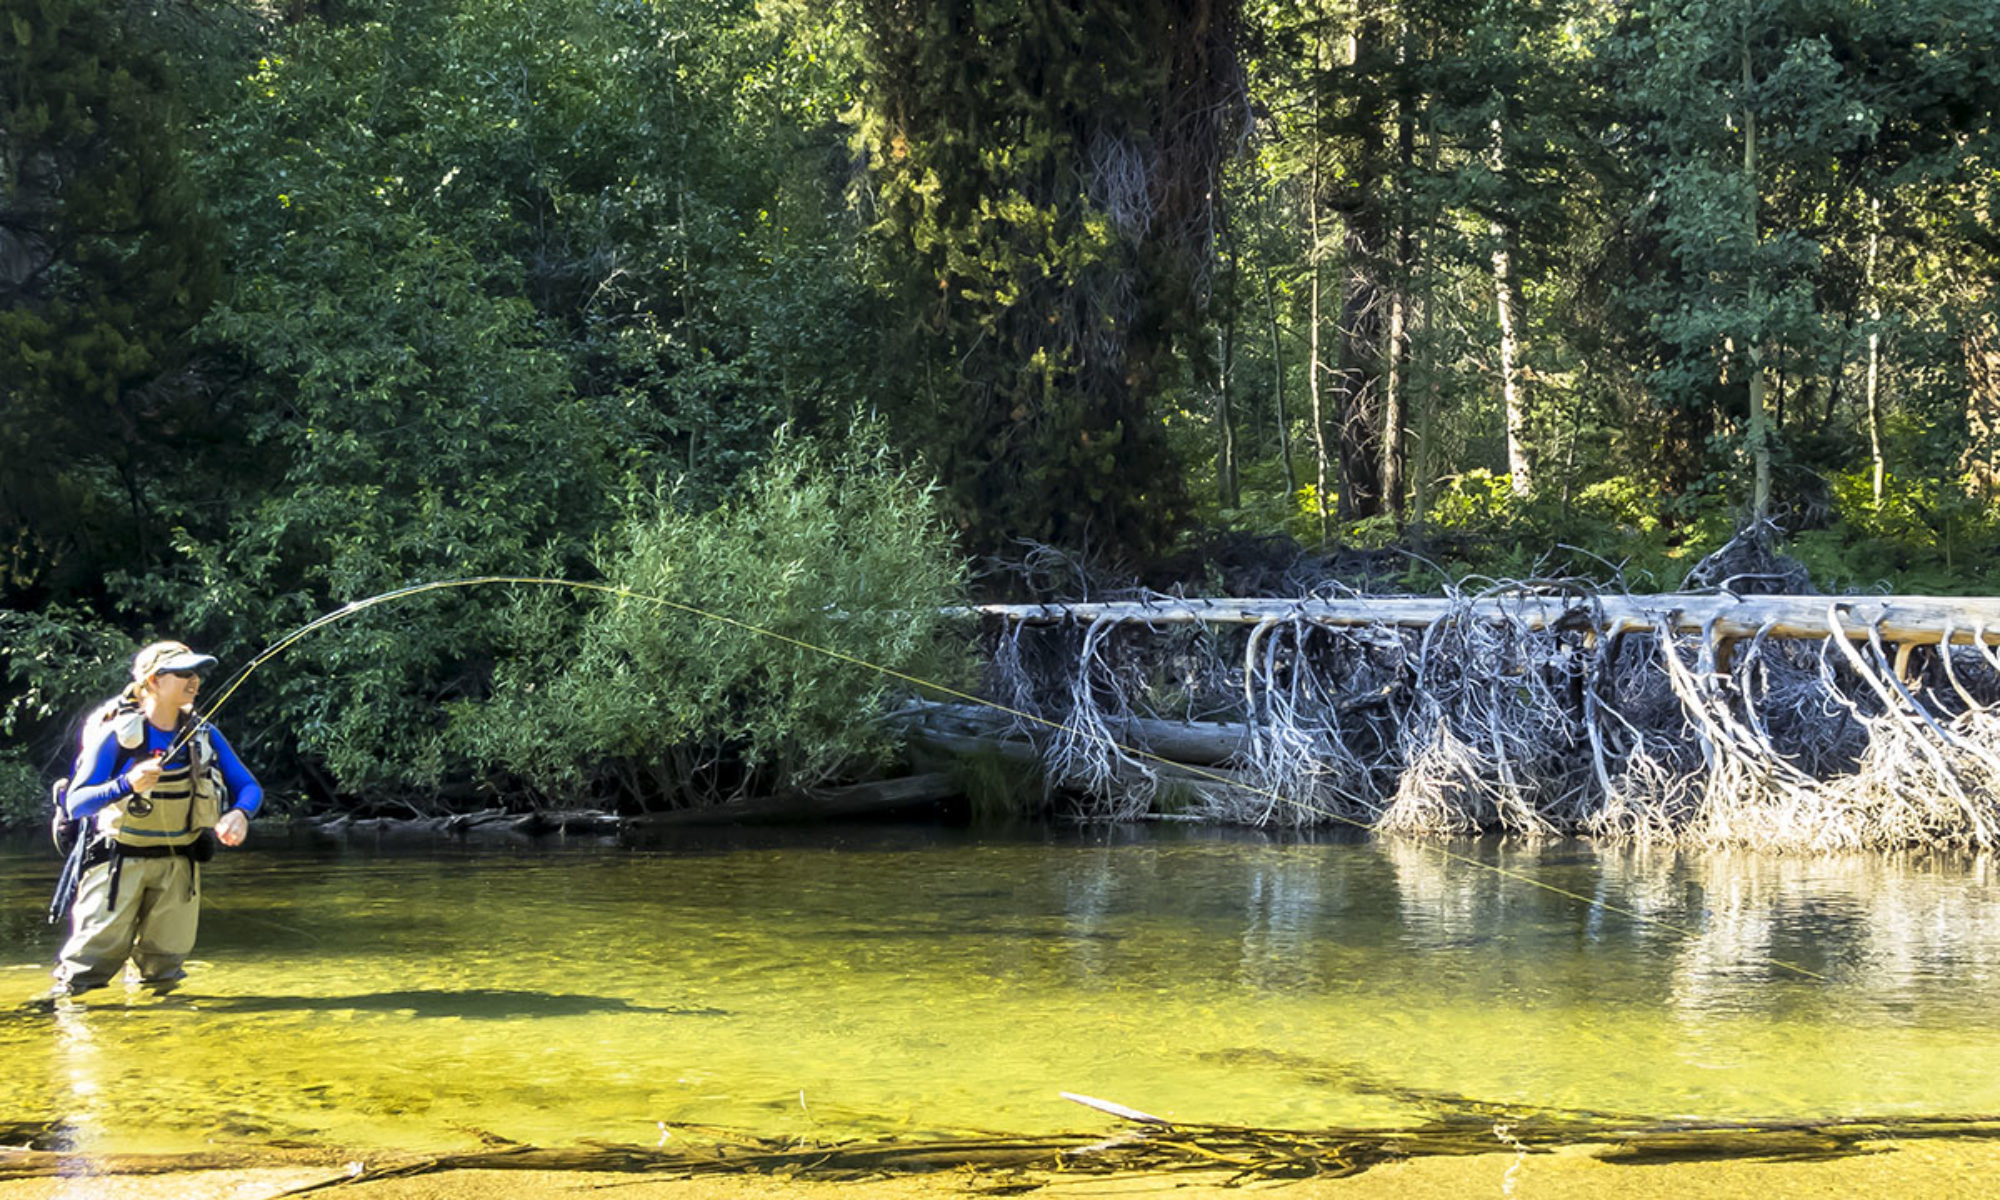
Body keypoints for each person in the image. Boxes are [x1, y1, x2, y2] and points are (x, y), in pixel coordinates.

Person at [51, 640, 263, 997]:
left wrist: (240, 814)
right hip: (118, 864)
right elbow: (77, 803)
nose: (193, 680)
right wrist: (124, 784)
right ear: (152, 681)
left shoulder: (205, 735)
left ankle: (158, 1038)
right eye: (182, 673)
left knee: (164, 971)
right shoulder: (115, 736)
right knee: (85, 972)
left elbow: (250, 787)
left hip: (180, 866)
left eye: (195, 673)